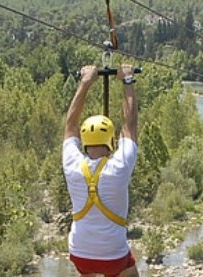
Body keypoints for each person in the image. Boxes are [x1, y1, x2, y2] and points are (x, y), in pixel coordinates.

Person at [62, 65, 140, 277]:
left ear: (85, 141)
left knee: (87, 268)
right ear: (111, 140)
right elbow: (130, 125)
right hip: (113, 256)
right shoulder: (120, 165)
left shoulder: (72, 164)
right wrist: (127, 81)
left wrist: (86, 82)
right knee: (130, 272)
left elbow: (70, 125)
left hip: (79, 253)